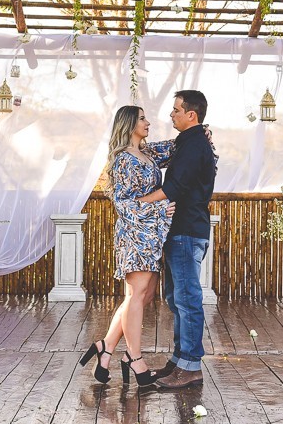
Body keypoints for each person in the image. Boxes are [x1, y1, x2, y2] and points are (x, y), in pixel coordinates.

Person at [79, 105, 176, 387]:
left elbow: (175, 147)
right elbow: (122, 204)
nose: (148, 122)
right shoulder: (123, 159)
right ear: (129, 123)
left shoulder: (147, 153)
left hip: (152, 234)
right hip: (135, 234)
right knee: (136, 295)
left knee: (145, 295)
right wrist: (159, 209)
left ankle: (106, 346)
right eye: (142, 118)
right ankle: (134, 357)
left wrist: (202, 132)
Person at [136, 89, 217, 390]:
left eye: (176, 110)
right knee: (176, 298)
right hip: (181, 230)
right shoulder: (187, 141)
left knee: (187, 299)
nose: (171, 114)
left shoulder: (195, 144)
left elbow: (174, 188)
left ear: (191, 115)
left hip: (186, 231)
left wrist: (137, 203)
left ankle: (191, 367)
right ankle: (179, 360)